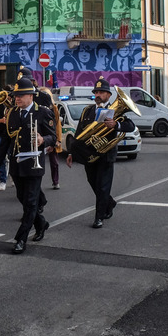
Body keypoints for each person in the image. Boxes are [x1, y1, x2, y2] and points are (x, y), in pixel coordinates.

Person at [0, 77, 57, 254]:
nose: (17, 99)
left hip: (34, 163)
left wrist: (43, 139)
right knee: (22, 197)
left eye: (21, 95)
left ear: (31, 96)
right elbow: (6, 138)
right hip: (16, 162)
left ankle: (20, 239)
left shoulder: (42, 112)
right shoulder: (12, 113)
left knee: (30, 202)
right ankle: (41, 223)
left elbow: (54, 136)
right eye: (15, 96)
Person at [67, 77, 136, 229]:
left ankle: (99, 217)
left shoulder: (115, 111)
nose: (98, 95)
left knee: (103, 187)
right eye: (96, 92)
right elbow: (79, 133)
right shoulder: (87, 110)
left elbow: (130, 126)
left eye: (101, 92)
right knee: (94, 184)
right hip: (89, 155)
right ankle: (109, 203)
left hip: (106, 155)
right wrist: (72, 152)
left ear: (108, 95)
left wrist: (116, 124)